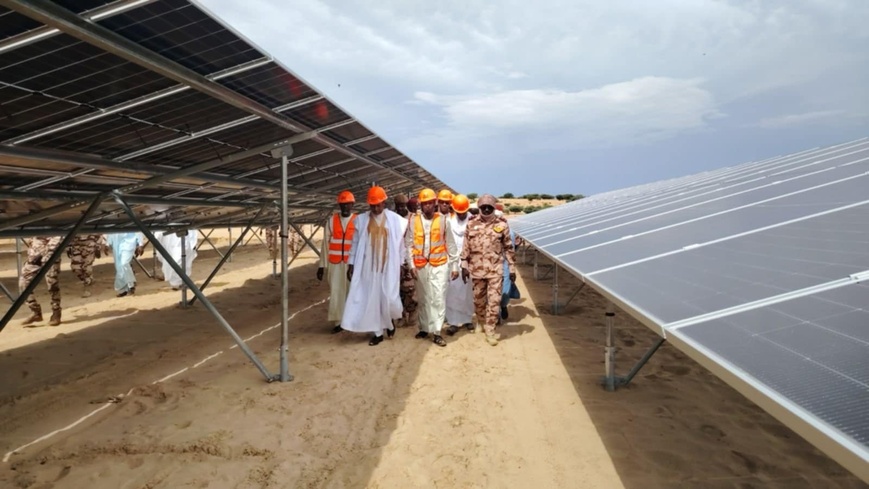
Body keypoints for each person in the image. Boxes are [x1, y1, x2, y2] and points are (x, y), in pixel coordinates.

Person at [341, 186, 405, 346]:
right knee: (372, 298)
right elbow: (354, 243)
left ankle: (389, 321)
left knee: (389, 296)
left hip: (389, 266)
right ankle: (377, 332)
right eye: (372, 205)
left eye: (378, 205)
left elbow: (400, 244)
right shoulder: (361, 220)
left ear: (384, 203)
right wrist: (351, 264)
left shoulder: (395, 220)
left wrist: (402, 263)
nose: (376, 208)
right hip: (368, 267)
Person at [460, 194, 516, 346]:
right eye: (483, 207)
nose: (486, 209)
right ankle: (480, 321)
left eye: (489, 207)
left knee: (494, 301)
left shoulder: (502, 225)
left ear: (493, 208)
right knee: (478, 299)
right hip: (476, 269)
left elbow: (509, 248)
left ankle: (490, 330)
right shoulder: (471, 223)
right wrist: (464, 265)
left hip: (495, 270)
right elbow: (465, 246)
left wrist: (511, 269)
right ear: (479, 208)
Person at [407, 188, 458, 347]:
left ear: (434, 204)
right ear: (420, 205)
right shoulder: (413, 221)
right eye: (424, 204)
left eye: (430, 203)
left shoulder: (444, 220)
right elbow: (408, 244)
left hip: (440, 265)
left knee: (438, 298)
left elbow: (451, 244)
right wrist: (411, 265)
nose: (427, 206)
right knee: (423, 298)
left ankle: (436, 332)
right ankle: (423, 327)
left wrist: (454, 265)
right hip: (421, 266)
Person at [317, 190, 357, 334]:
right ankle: (338, 322)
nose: (345, 207)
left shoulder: (358, 221)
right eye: (343, 204)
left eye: (348, 204)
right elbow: (325, 244)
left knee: (351, 291)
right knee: (336, 292)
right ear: (339, 205)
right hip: (335, 264)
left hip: (352, 264)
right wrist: (322, 266)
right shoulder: (331, 220)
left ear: (352, 204)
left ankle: (352, 320)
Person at [445, 194, 474, 335]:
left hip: (469, 262)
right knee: (452, 292)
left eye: (463, 212)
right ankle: (453, 322)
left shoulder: (473, 221)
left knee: (468, 292)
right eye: (459, 212)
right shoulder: (449, 222)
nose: (461, 214)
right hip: (453, 262)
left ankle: (468, 319)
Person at [20, 236, 63, 326]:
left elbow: (58, 238)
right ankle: (35, 311)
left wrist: (42, 254)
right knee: (23, 282)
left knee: (52, 284)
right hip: (34, 256)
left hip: (50, 256)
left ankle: (56, 312)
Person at [393, 193, 417, 327]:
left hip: (409, 258)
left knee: (410, 288)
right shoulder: (392, 219)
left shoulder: (413, 218)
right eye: (398, 206)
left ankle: (412, 312)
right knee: (397, 288)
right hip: (396, 259)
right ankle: (400, 315)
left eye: (403, 206)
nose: (401, 208)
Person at [105, 232, 145, 297]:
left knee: (124, 263)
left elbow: (137, 230)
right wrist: (107, 244)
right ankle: (123, 290)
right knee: (119, 268)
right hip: (116, 242)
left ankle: (131, 284)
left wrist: (140, 244)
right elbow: (111, 229)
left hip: (129, 242)